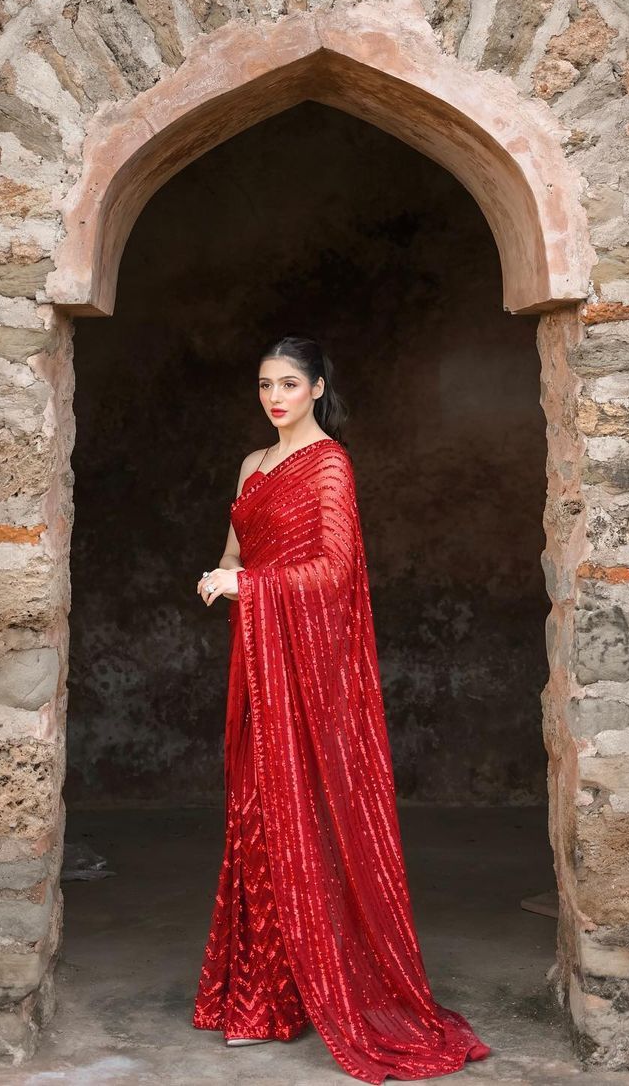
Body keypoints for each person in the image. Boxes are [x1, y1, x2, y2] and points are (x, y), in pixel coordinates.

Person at [191, 334, 491, 1084]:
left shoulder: (330, 466)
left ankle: (318, 991)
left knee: (309, 817)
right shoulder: (251, 466)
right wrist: (222, 575)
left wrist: (249, 590)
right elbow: (236, 553)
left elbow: (335, 571)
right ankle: (262, 998)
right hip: (260, 662)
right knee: (255, 814)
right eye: (265, 384)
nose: (275, 397)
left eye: (289, 383)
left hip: (310, 672)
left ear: (319, 387)